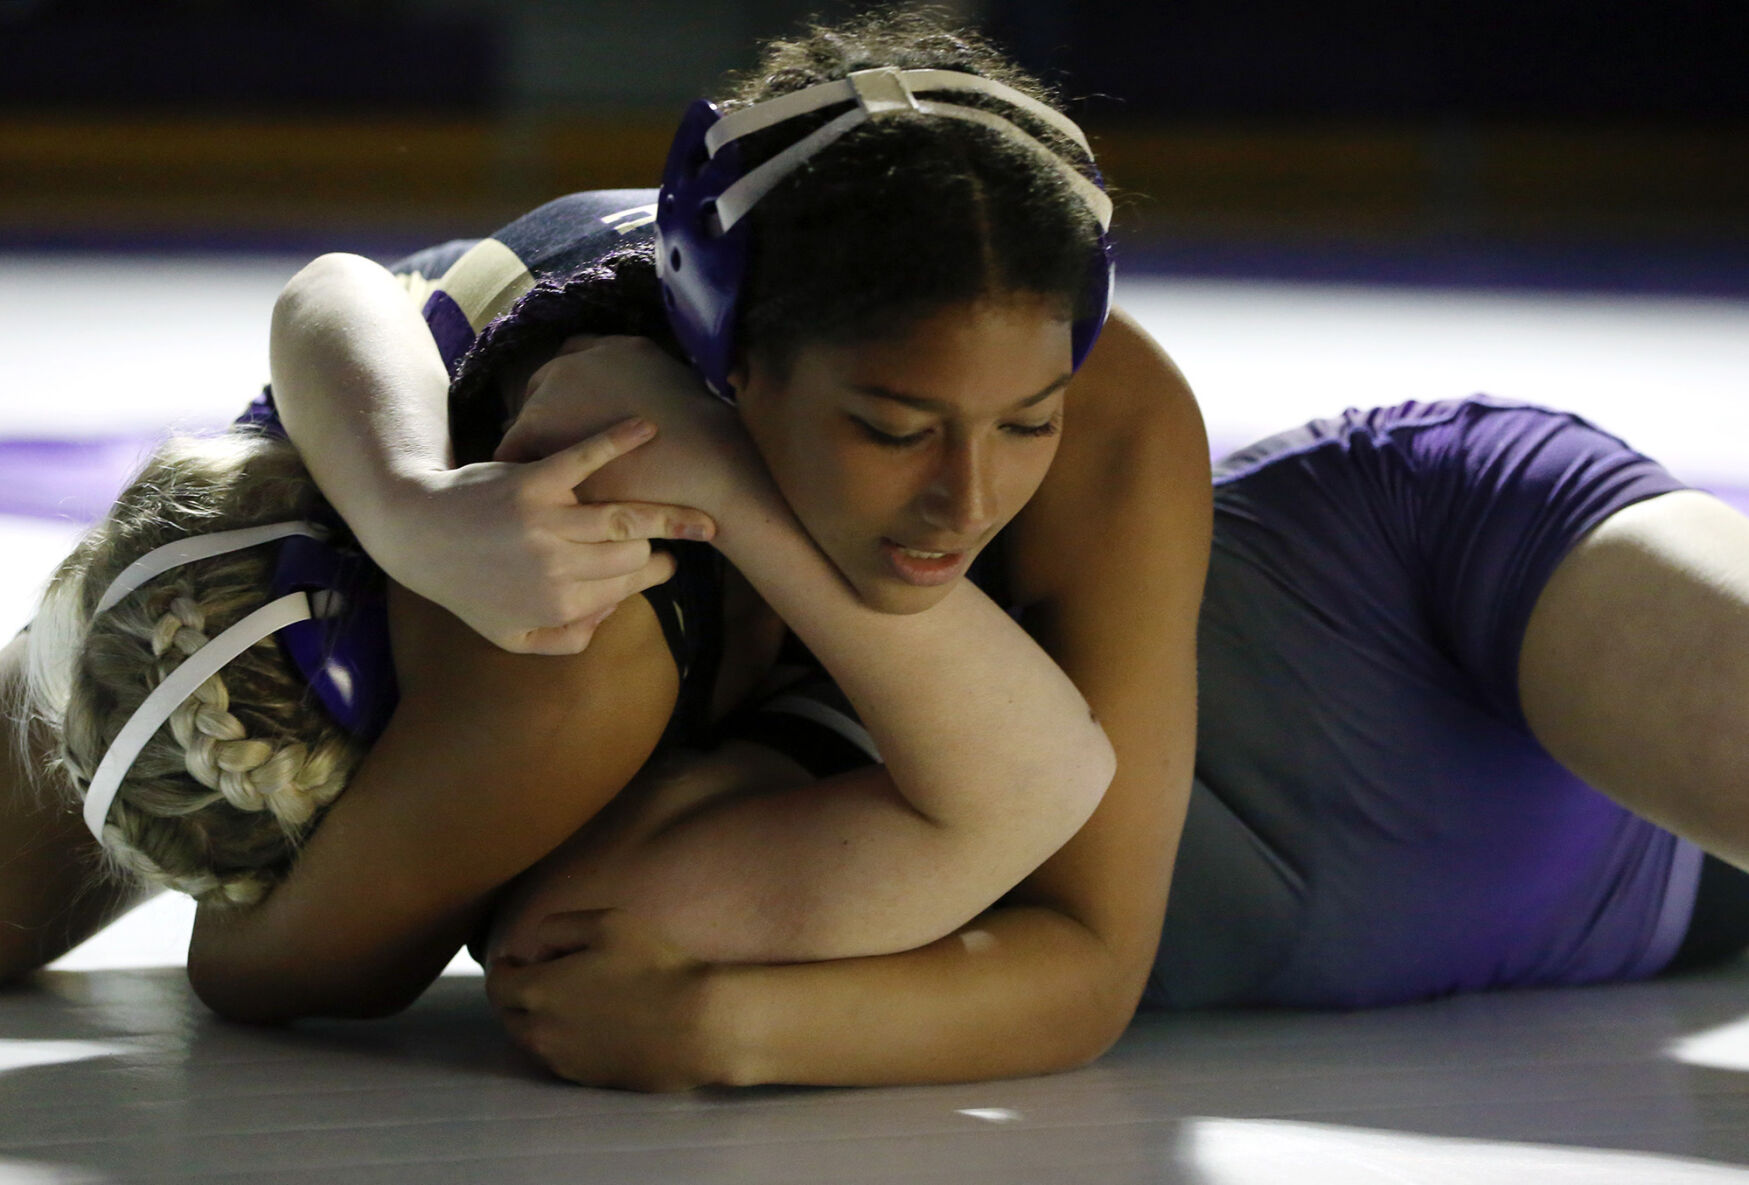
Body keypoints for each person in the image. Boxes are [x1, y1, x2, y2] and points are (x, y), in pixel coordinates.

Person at [9, 10, 1749, 1091]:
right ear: (733, 362)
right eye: (894, 426)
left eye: (1016, 418)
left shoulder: (1088, 423)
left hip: (1437, 603)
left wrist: (733, 1030)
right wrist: (412, 502)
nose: (959, 503)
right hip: (1520, 888)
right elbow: (271, 960)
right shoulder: (585, 665)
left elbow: (1085, 948)